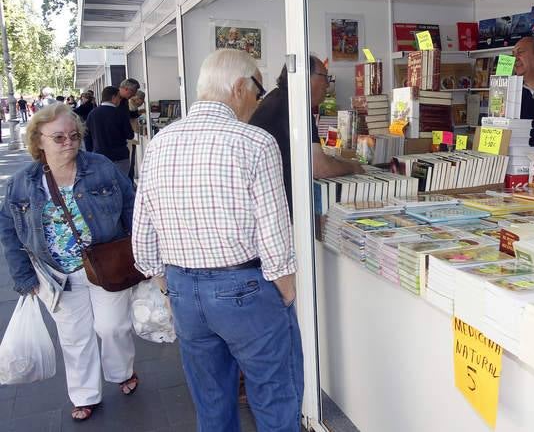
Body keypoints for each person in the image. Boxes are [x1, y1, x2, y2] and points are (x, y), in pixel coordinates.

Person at [132, 49, 302, 432]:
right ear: (240, 87)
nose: (259, 100)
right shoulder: (254, 142)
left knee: (211, 401)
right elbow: (274, 231)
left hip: (183, 290)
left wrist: (166, 286)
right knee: (275, 395)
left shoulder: (160, 143)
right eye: (257, 90)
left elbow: (142, 232)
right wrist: (287, 292)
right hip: (245, 288)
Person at [0, 103, 138, 422]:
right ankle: (85, 394)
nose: (69, 143)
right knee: (75, 337)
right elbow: (8, 229)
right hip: (58, 274)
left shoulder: (100, 166)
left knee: (113, 326)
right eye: (59, 137)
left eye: (74, 135)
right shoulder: (22, 182)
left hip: (106, 265)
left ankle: (121, 371)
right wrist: (23, 275)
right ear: (39, 141)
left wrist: (139, 249)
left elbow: (131, 204)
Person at [249, 55, 363, 217]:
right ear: (306, 78)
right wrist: (353, 167)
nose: (327, 84)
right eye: (325, 77)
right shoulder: (296, 105)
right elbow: (319, 168)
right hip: (279, 210)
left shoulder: (277, 98)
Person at [85, 86, 135, 176]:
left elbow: (87, 137)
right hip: (120, 156)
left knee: (104, 186)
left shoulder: (92, 114)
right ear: (113, 98)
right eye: (119, 97)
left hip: (99, 157)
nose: (120, 100)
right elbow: (130, 135)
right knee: (121, 185)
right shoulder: (120, 113)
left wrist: (91, 154)